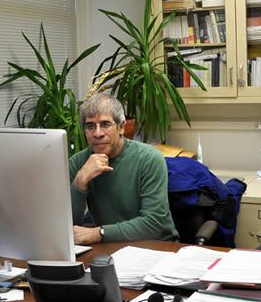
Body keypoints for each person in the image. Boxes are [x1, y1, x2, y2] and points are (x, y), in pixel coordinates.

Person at [69, 93, 179, 244]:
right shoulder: (78, 162)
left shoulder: (149, 158)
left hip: (157, 246)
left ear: (121, 127)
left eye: (106, 124)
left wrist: (99, 233)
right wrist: (79, 183)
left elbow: (153, 224)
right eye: (90, 126)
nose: (98, 133)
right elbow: (70, 228)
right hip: (110, 246)